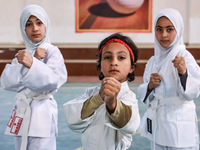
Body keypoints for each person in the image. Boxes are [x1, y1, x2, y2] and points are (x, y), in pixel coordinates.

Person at [0, 4, 67, 150]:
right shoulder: (22, 54)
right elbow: (6, 81)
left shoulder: (52, 51)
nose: (35, 28)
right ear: (23, 29)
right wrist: (29, 60)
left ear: (46, 25)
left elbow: (52, 81)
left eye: (39, 23)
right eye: (29, 24)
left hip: (41, 113)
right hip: (21, 111)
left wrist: (33, 63)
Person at [63, 33, 140, 150]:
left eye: (121, 57)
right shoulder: (91, 93)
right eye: (108, 57)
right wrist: (99, 98)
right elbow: (72, 119)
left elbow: (130, 125)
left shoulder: (128, 97)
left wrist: (112, 103)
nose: (114, 62)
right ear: (100, 65)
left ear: (131, 68)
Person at [137, 8, 200, 150]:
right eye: (159, 29)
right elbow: (145, 94)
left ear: (178, 30)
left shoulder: (184, 56)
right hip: (158, 122)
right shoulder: (153, 61)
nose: (163, 35)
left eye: (169, 29)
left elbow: (193, 92)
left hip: (179, 123)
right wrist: (149, 87)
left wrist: (183, 72)